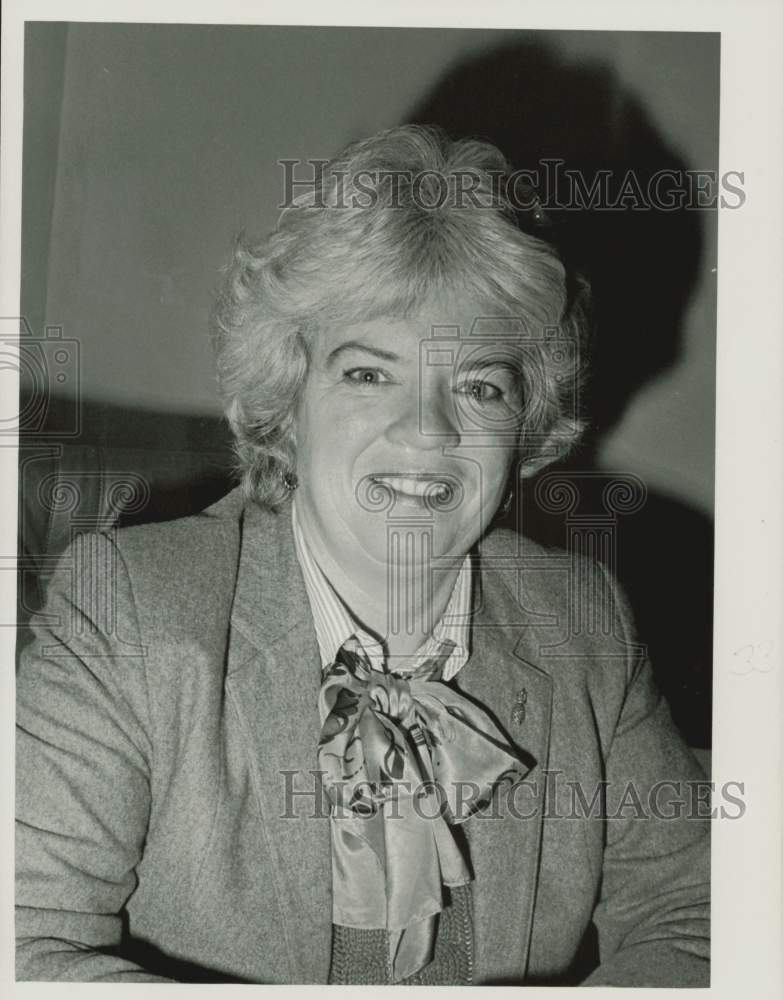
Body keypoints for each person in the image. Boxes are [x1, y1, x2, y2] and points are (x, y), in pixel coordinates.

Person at [16, 125, 710, 985]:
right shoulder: (128, 607)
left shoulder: (582, 621)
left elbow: (696, 912)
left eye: (478, 385)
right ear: (286, 404)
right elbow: (27, 946)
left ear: (522, 426)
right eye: (368, 374)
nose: (427, 430)